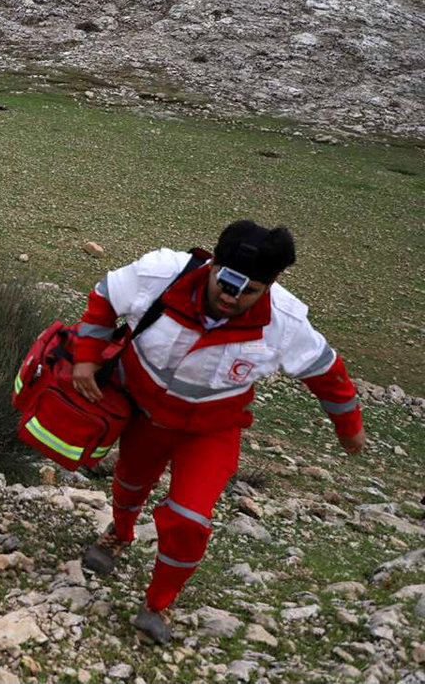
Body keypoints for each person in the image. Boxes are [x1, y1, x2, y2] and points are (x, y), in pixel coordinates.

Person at [71, 221, 364, 644]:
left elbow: (327, 373)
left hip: (211, 431)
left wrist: (349, 427)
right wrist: (84, 358)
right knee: (131, 482)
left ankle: (158, 604)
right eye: (226, 282)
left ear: (268, 288)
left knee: (190, 518)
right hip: (146, 415)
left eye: (248, 291)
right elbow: (103, 297)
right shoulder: (160, 273)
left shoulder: (284, 323)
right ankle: (120, 532)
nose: (231, 297)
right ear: (213, 265)